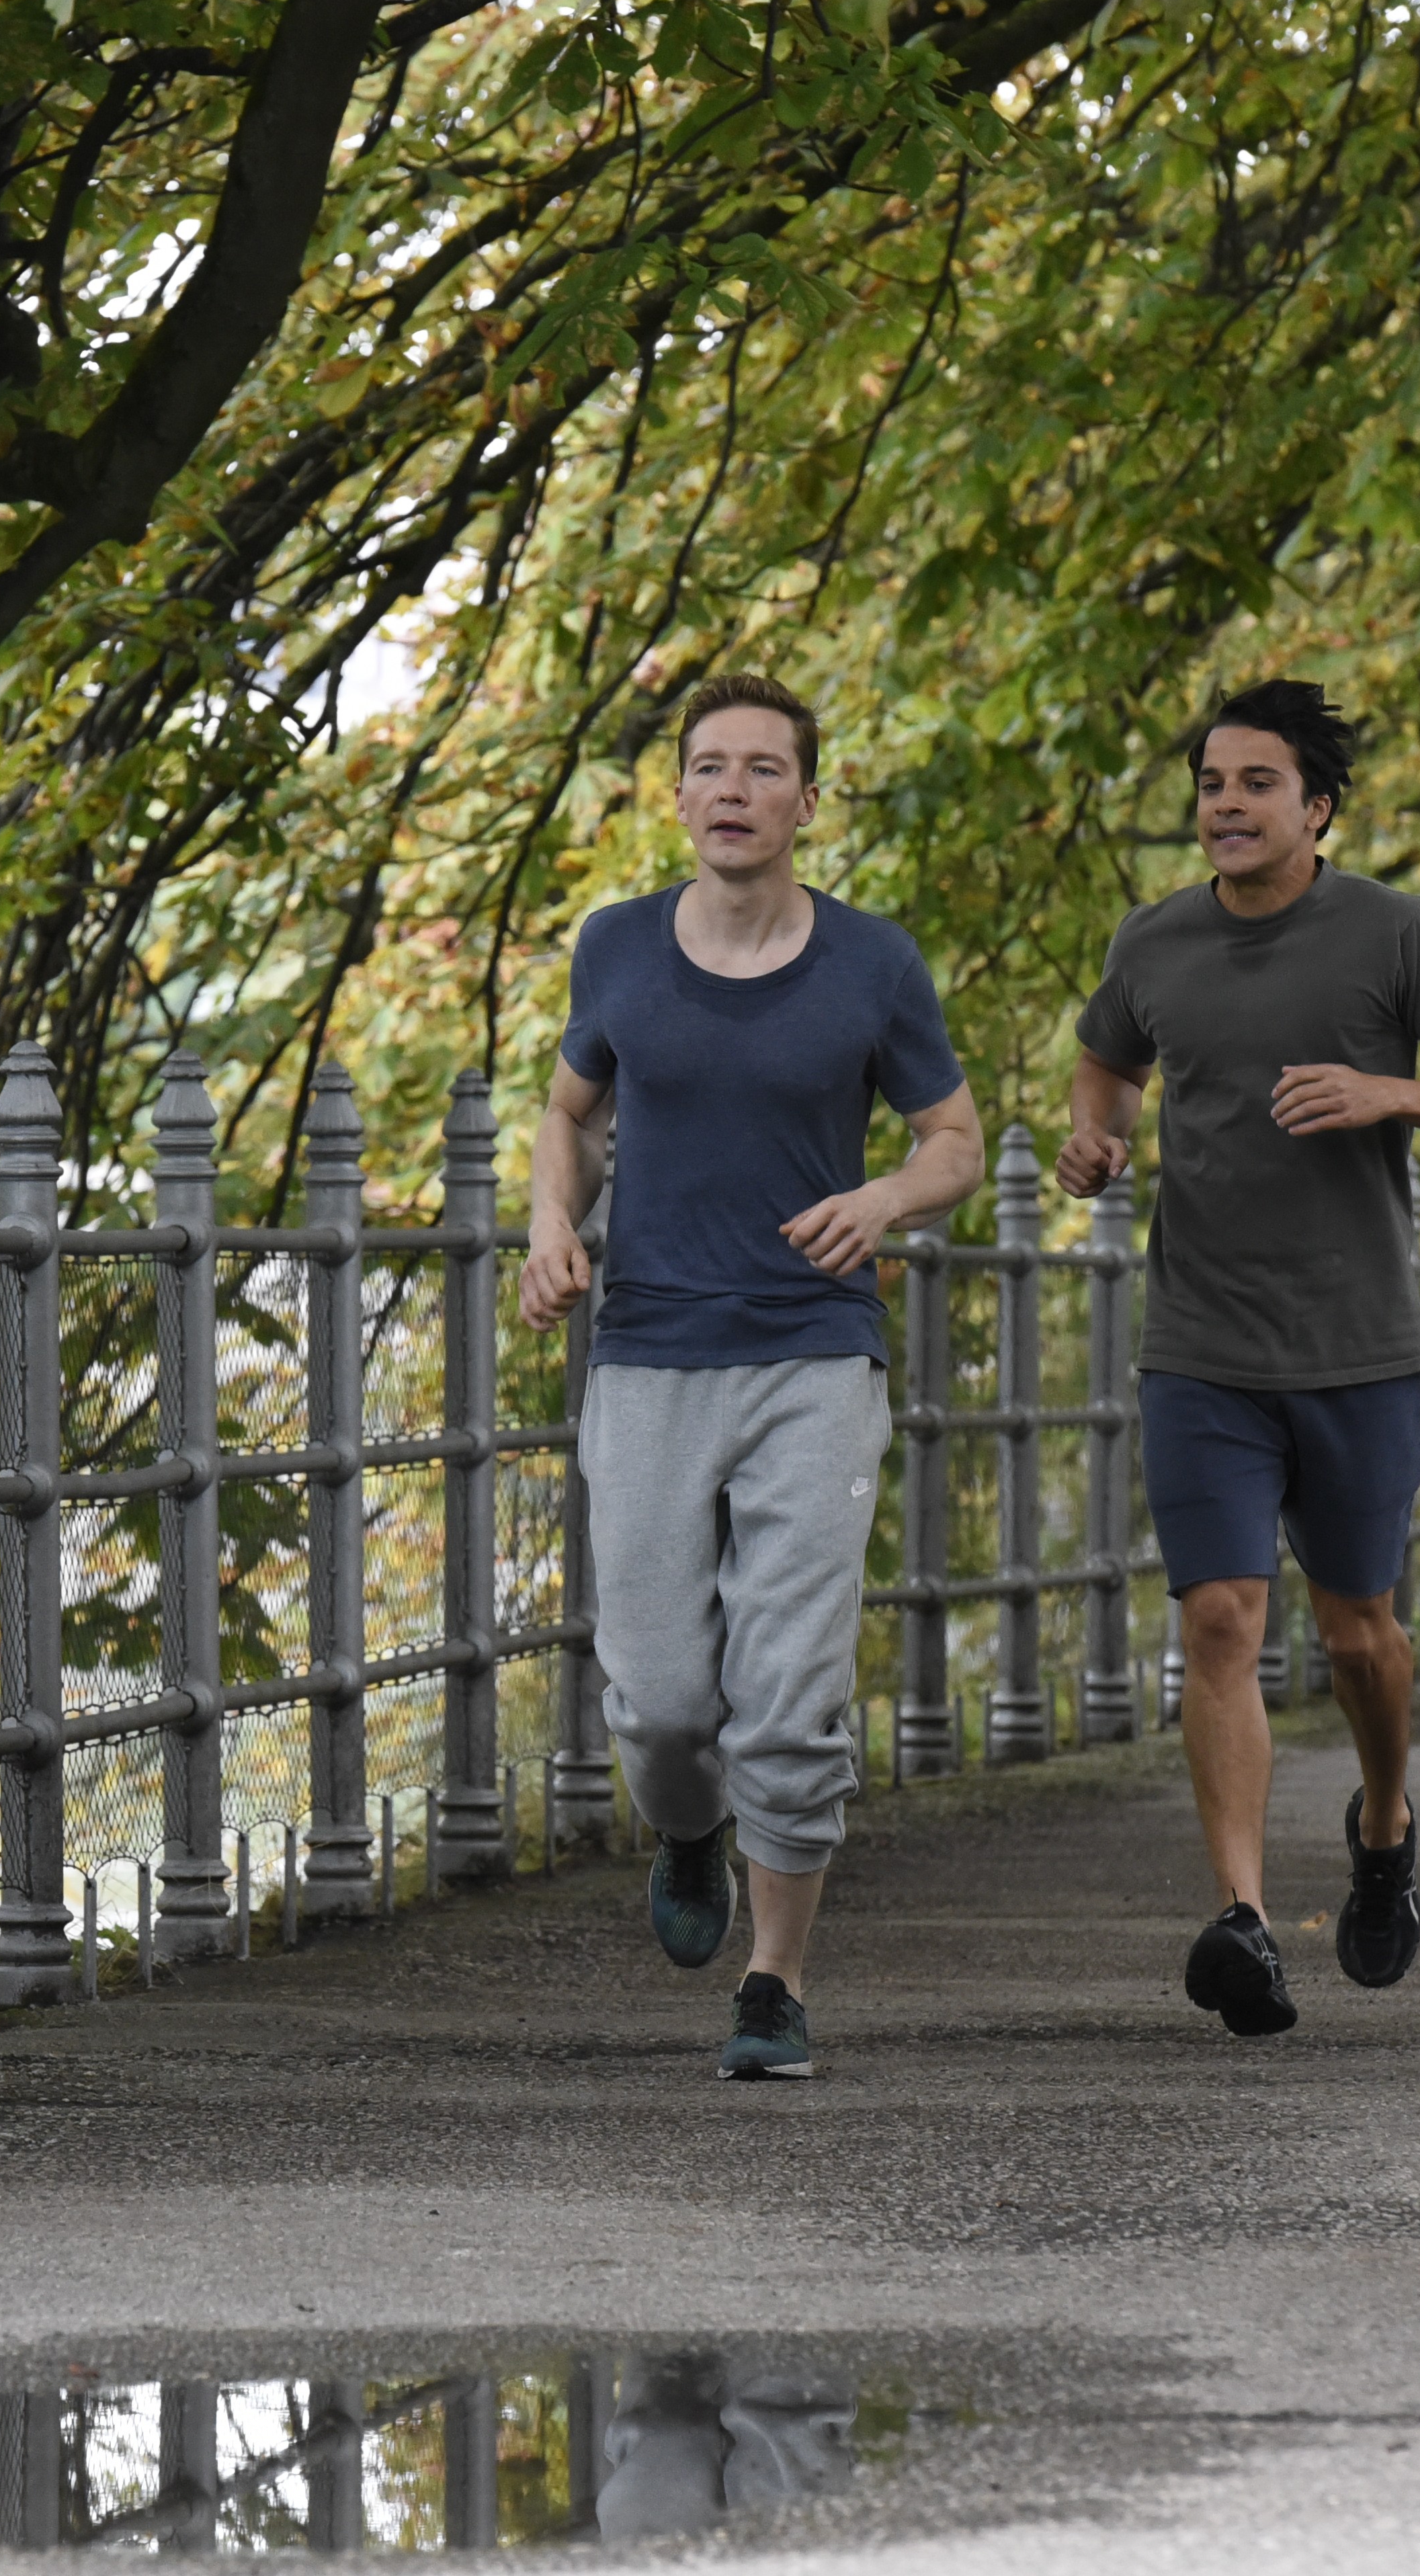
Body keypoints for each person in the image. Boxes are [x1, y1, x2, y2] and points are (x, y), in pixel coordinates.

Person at [1054, 679, 1420, 2037]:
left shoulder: (1393, 932)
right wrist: (1095, 1137)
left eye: (1255, 782)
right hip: (1199, 1342)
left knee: (1356, 1633)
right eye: (1210, 782)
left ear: (1315, 808)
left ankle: (1382, 1826)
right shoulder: (1153, 940)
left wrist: (1388, 1091)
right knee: (1218, 1616)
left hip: (1355, 1345)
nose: (1225, 803)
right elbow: (1105, 1066)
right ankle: (1243, 1920)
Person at [519, 672, 980, 2083]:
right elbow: (567, 1112)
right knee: (662, 1701)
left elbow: (954, 1141)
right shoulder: (616, 948)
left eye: (763, 768)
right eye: (709, 766)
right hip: (651, 1351)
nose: (733, 788)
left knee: (788, 1692)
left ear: (805, 801)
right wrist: (550, 1223)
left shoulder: (871, 963)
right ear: (677, 797)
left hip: (813, 1354)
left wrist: (881, 1200)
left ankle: (774, 1981)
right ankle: (687, 1822)